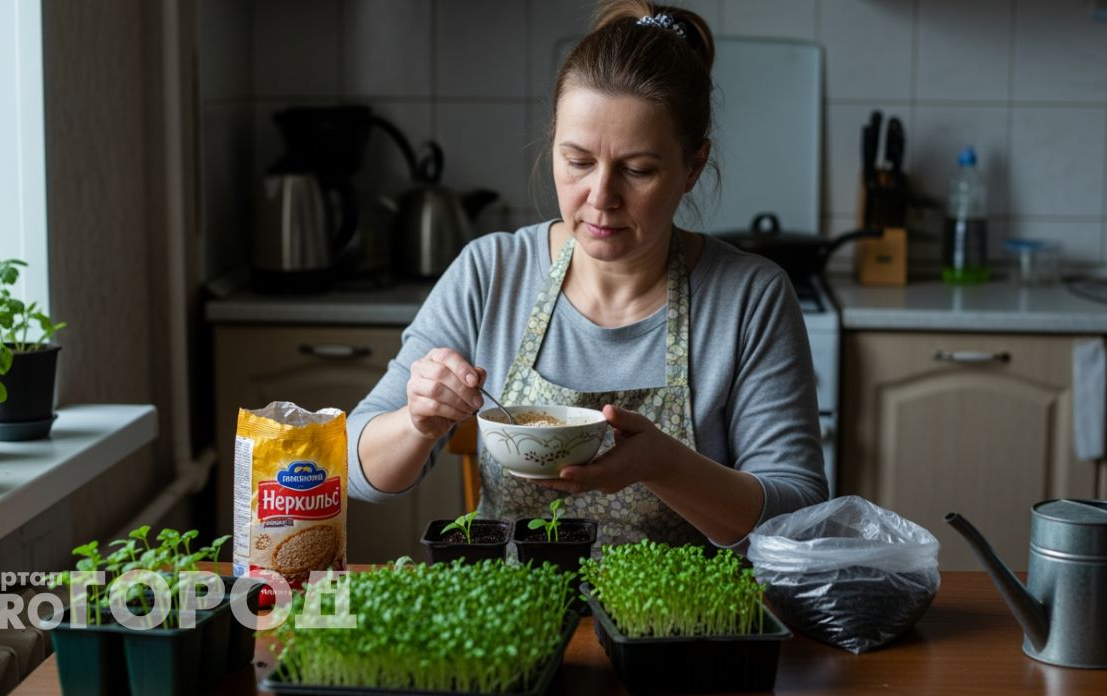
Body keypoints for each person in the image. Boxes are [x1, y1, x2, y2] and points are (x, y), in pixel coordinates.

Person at [347, 0, 826, 552]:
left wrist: (665, 466)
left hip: (674, 631)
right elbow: (361, 470)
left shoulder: (749, 297)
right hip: (514, 623)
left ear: (693, 166)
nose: (601, 199)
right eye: (577, 162)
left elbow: (799, 513)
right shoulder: (491, 272)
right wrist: (417, 421)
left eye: (637, 170)